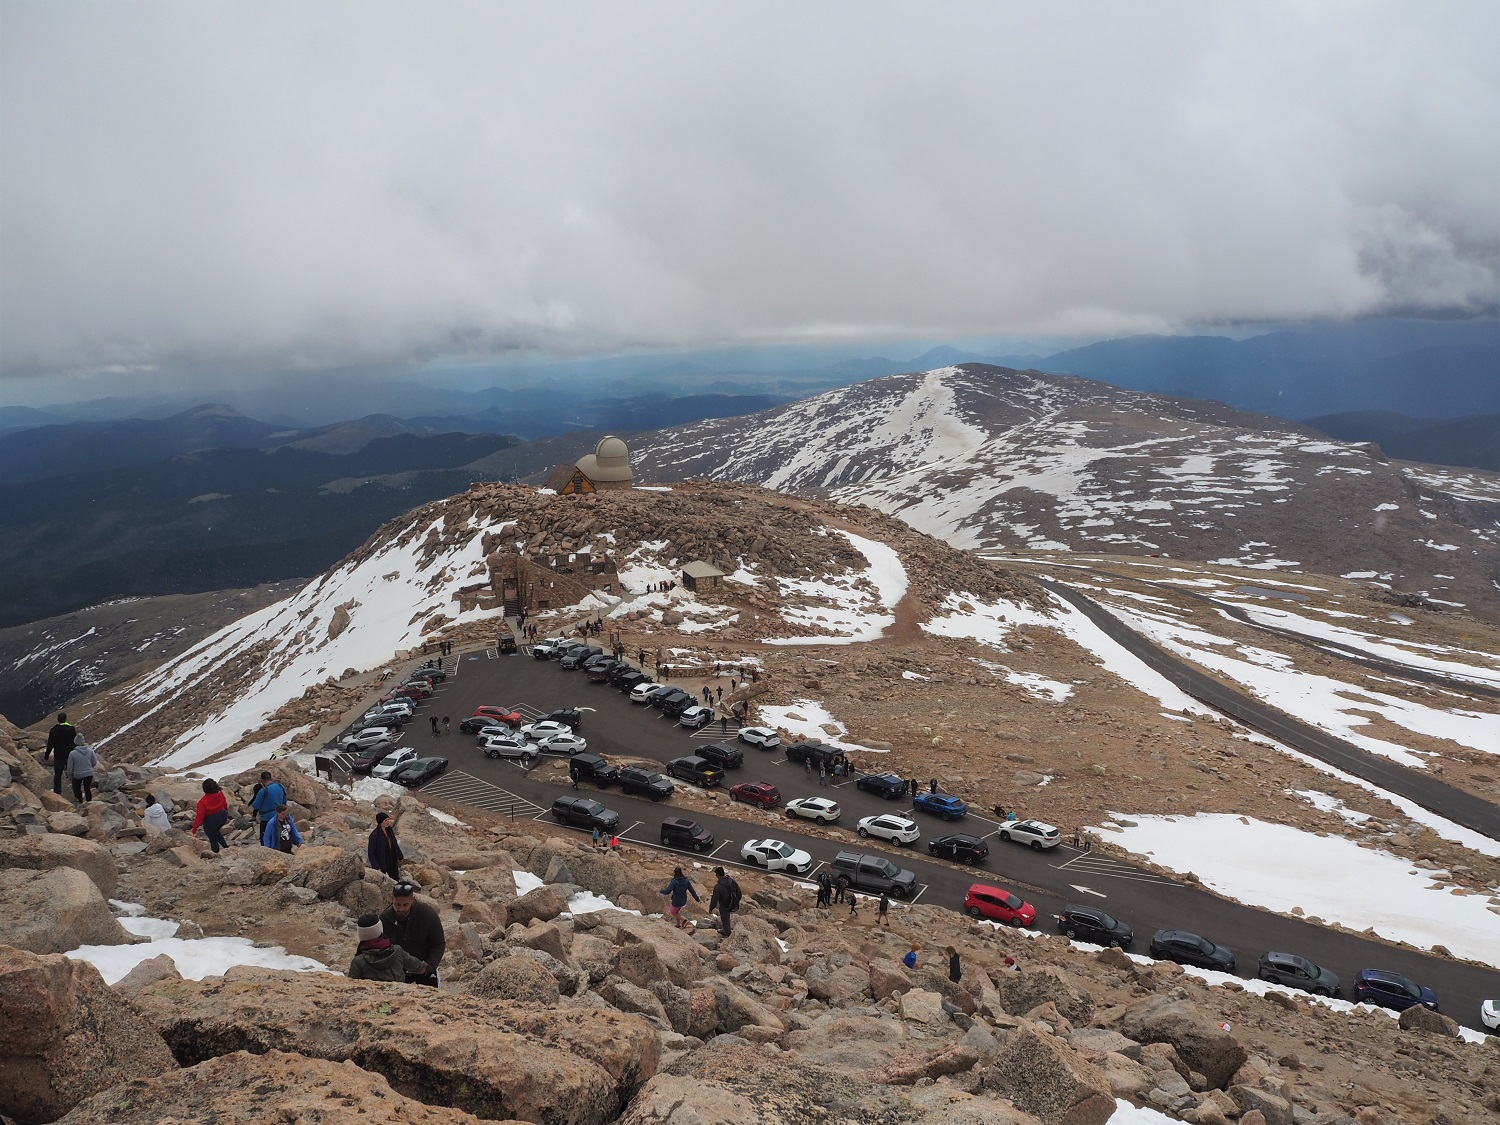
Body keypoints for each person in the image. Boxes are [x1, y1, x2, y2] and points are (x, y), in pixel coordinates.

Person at [382, 881, 445, 986]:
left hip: (425, 972)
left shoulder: (428, 915)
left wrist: (430, 966)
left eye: (405, 905)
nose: (401, 909)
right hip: (396, 973)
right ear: (391, 899)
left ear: (413, 900)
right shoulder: (384, 919)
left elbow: (438, 944)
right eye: (397, 904)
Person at [347, 913, 428, 981]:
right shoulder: (397, 951)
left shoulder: (358, 962)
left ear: (360, 934)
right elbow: (420, 968)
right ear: (380, 929)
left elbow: (351, 986)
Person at [191, 779, 231, 853]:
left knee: (212, 838)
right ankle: (225, 847)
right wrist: (226, 810)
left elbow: (200, 816)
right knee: (215, 831)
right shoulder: (220, 793)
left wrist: (194, 829)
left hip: (212, 820)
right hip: (223, 816)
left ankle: (216, 853)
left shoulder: (202, 802)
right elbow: (224, 803)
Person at [42, 712, 77, 796]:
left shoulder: (54, 730)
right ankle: (76, 792)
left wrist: (46, 755)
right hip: (70, 755)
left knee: (57, 774)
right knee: (72, 773)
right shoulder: (71, 729)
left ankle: (57, 792)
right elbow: (75, 742)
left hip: (59, 755)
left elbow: (50, 744)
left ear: (58, 720)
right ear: (65, 719)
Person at [367, 811, 403, 878]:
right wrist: (376, 866)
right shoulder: (374, 835)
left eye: (388, 819)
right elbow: (371, 853)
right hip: (382, 862)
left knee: (395, 880)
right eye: (386, 820)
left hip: (393, 860)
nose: (388, 821)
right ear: (381, 822)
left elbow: (395, 844)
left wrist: (400, 856)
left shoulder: (389, 831)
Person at [708, 866, 740, 936]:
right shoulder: (731, 880)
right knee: (727, 917)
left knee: (724, 917)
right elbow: (738, 891)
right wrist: (736, 901)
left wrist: (711, 908)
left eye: (716, 875)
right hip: (732, 902)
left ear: (718, 875)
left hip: (724, 905)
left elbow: (714, 899)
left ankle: (727, 932)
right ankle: (726, 928)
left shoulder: (718, 887)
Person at [66, 740, 97, 805]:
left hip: (77, 774)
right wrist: (90, 767)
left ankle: (80, 801)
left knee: (76, 787)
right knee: (87, 788)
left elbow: (69, 767)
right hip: (89, 773)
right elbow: (94, 762)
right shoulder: (90, 750)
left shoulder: (72, 753)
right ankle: (89, 802)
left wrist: (70, 776)